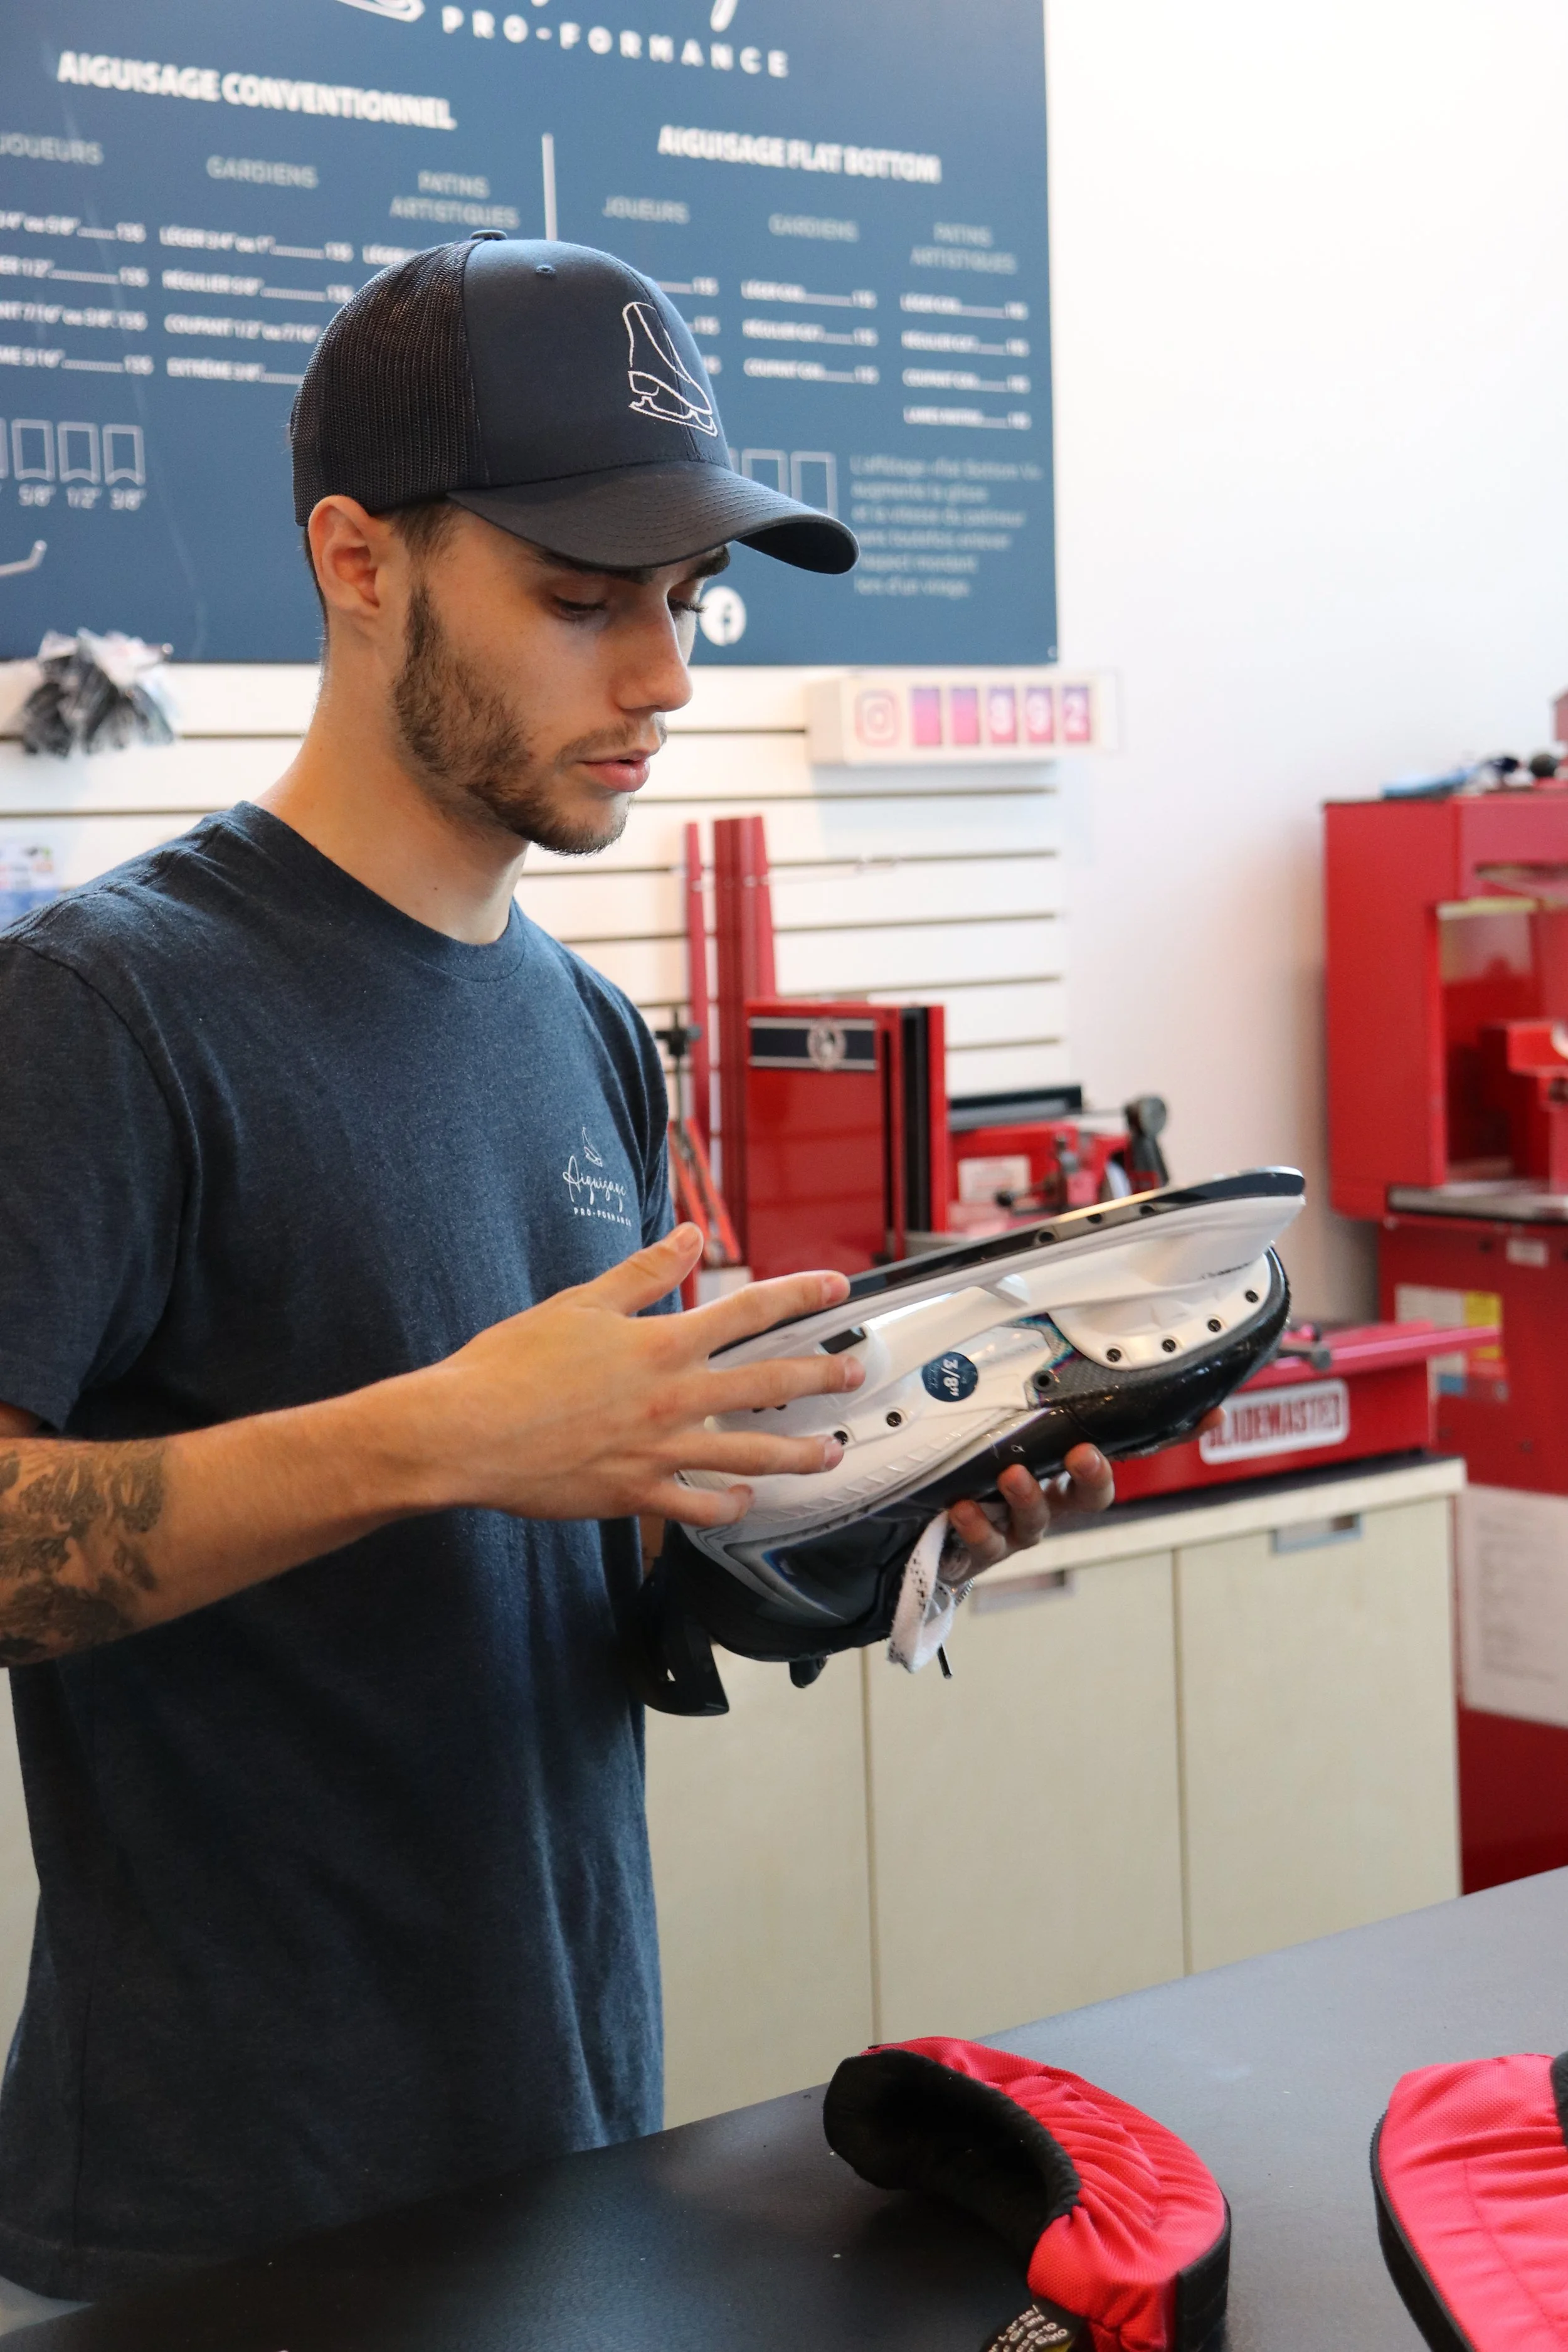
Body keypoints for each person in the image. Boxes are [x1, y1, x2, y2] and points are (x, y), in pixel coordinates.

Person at [0, 236, 1113, 2317]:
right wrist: (440, 1436)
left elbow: (600, 1577)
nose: (666, 675)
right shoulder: (103, 1009)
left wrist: (865, 1527)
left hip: (570, 2139)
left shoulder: (586, 1027)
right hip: (212, 2220)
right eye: (582, 598)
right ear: (358, 561)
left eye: (682, 603)